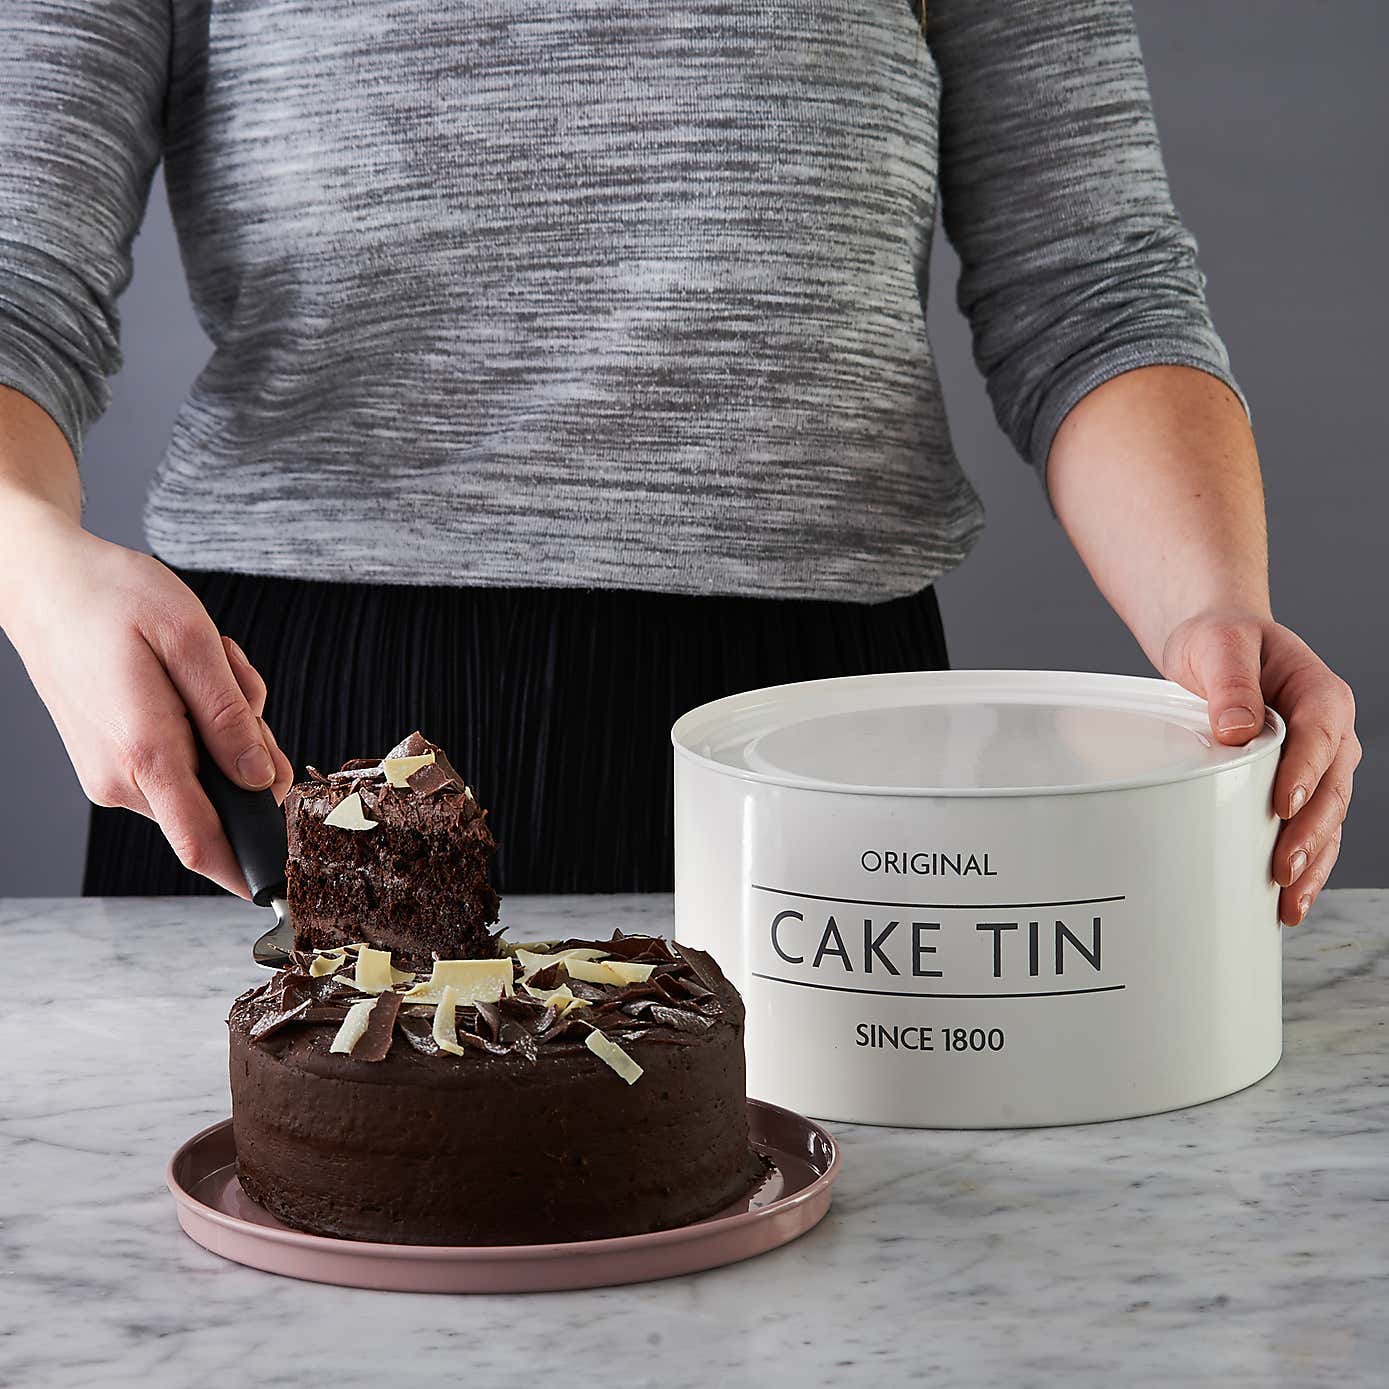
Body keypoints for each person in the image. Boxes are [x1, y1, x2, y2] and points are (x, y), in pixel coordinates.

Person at [0, 1, 1357, 921]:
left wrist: (1206, 610)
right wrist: (36, 568)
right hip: (289, 727)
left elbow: (1093, 290)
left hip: (826, 738)